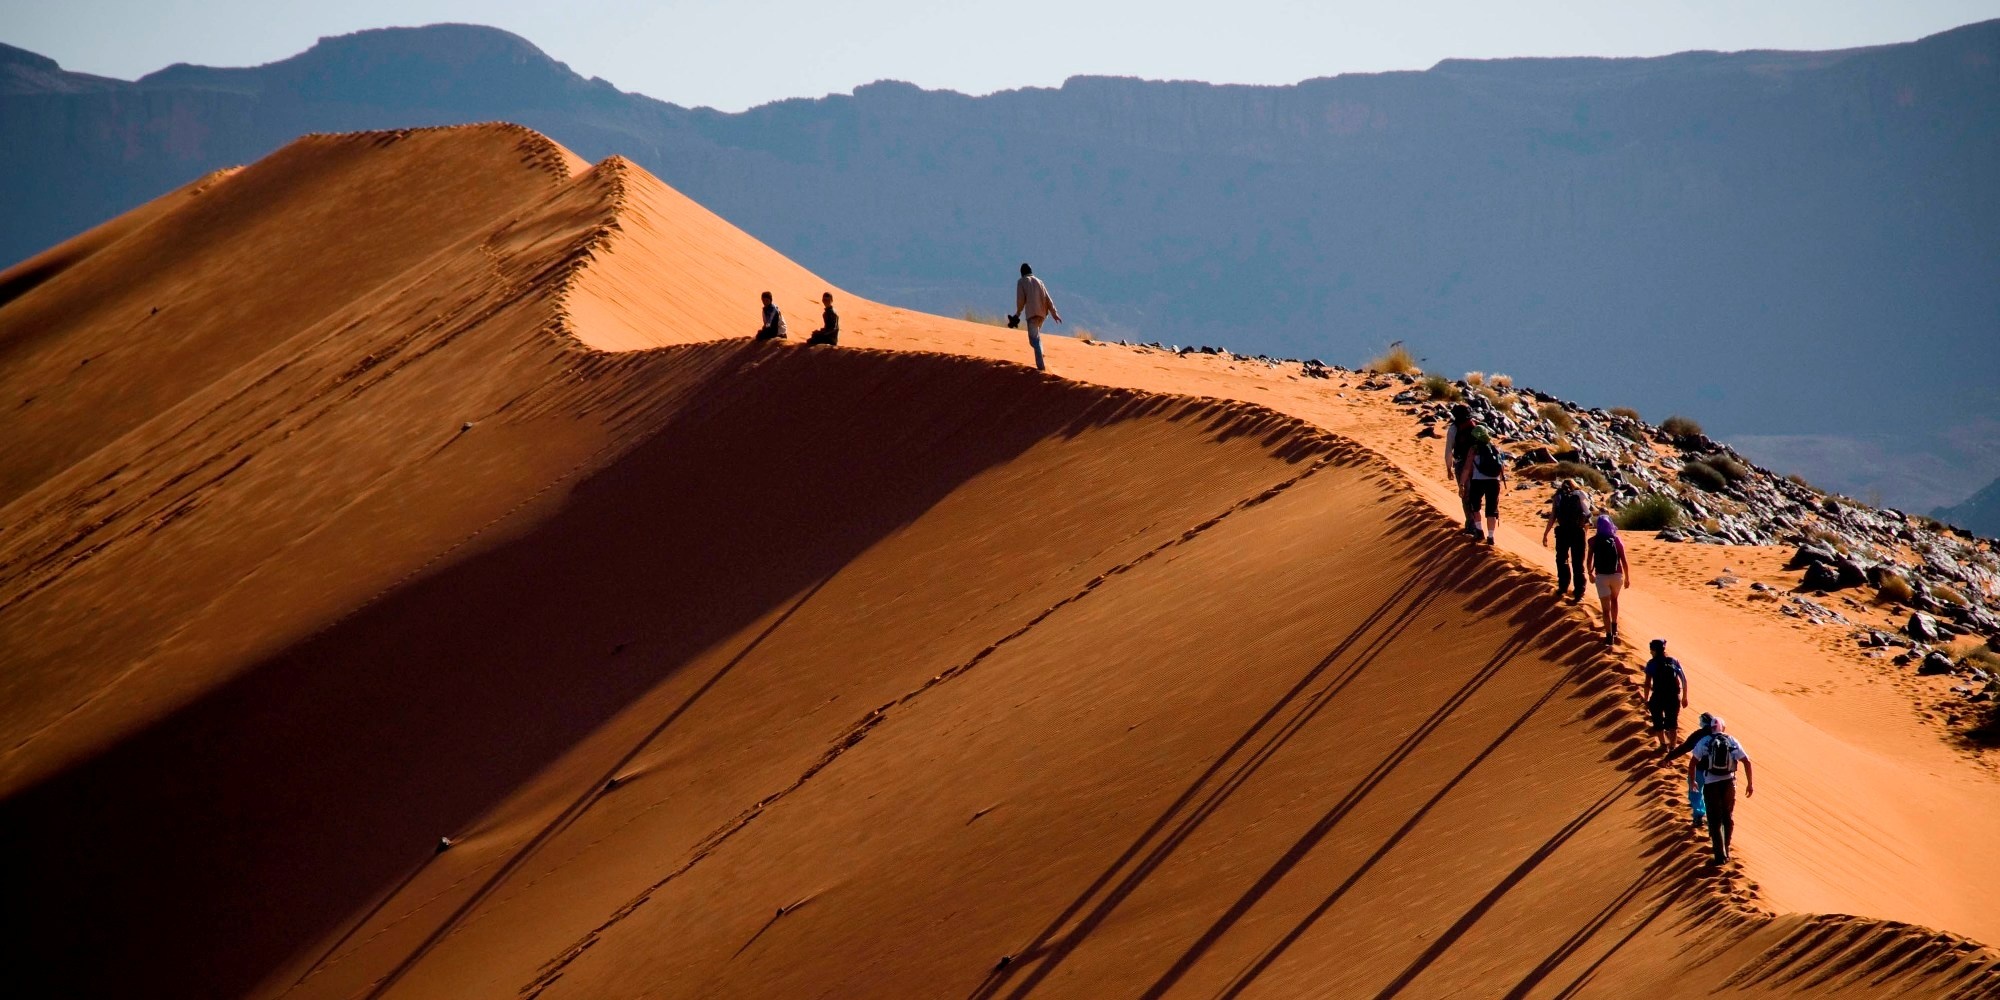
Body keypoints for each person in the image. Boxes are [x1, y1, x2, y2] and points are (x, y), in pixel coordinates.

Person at [1688, 717, 1754, 863]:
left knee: (1714, 819)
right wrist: (1750, 783)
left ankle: (1719, 855)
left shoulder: (1704, 741)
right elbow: (1746, 761)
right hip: (1729, 784)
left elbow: (1693, 763)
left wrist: (1693, 782)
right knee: (1727, 817)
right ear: (1723, 728)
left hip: (1711, 784)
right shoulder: (1731, 740)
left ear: (1711, 728)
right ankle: (1727, 848)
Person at [1666, 711, 1719, 829]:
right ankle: (1713, 819)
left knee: (1695, 792)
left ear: (1704, 721)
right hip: (1717, 773)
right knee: (1712, 796)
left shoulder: (1700, 734)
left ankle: (1699, 816)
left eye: (1701, 720)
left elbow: (1685, 747)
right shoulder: (1721, 736)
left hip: (1699, 769)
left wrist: (1669, 757)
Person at [1541, 478, 1591, 601]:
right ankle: (1579, 592)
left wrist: (1546, 534)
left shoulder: (1558, 497)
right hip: (1577, 532)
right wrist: (1584, 532)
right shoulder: (1580, 495)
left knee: (1562, 559)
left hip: (1562, 532)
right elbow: (1587, 517)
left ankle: (1563, 587)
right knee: (1578, 563)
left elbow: (1553, 517)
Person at [1456, 425, 1507, 544]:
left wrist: (1462, 484)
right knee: (1491, 510)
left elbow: (1467, 468)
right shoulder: (1496, 448)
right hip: (1494, 482)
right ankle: (1490, 537)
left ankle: (1479, 531)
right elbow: (1502, 467)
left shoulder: (1474, 449)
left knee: (1475, 506)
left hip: (1478, 481)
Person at [1586, 515, 1631, 645]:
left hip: (1601, 577)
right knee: (1614, 600)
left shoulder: (1592, 541)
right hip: (1616, 576)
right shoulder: (1616, 540)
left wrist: (1590, 574)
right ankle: (1615, 627)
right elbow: (1624, 560)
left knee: (1605, 609)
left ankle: (1609, 635)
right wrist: (1627, 578)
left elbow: (1589, 560)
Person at [1640, 639, 1689, 753]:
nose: (1650, 652)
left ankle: (1663, 745)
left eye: (1651, 650)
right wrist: (1684, 697)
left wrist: (1646, 699)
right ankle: (1672, 748)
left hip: (1658, 697)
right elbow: (1684, 680)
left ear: (1654, 650)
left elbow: (1647, 684)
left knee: (1657, 722)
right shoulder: (1673, 661)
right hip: (1673, 697)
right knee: (1673, 723)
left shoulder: (1651, 664)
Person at [1013, 263, 1061, 370]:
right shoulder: (1039, 281)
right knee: (1036, 337)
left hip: (1032, 314)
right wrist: (1054, 313)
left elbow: (1020, 300)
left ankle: (1041, 367)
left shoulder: (1021, 282)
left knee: (1033, 340)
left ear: (1022, 273)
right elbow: (1048, 298)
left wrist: (1018, 313)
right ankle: (1041, 353)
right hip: (1042, 314)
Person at [1443, 404, 1480, 536]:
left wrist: (1448, 468)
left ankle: (1471, 525)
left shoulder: (1453, 428)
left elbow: (1448, 450)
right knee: (1475, 495)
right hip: (1477, 465)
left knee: (1465, 494)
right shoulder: (1474, 425)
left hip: (1461, 464)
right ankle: (1478, 525)